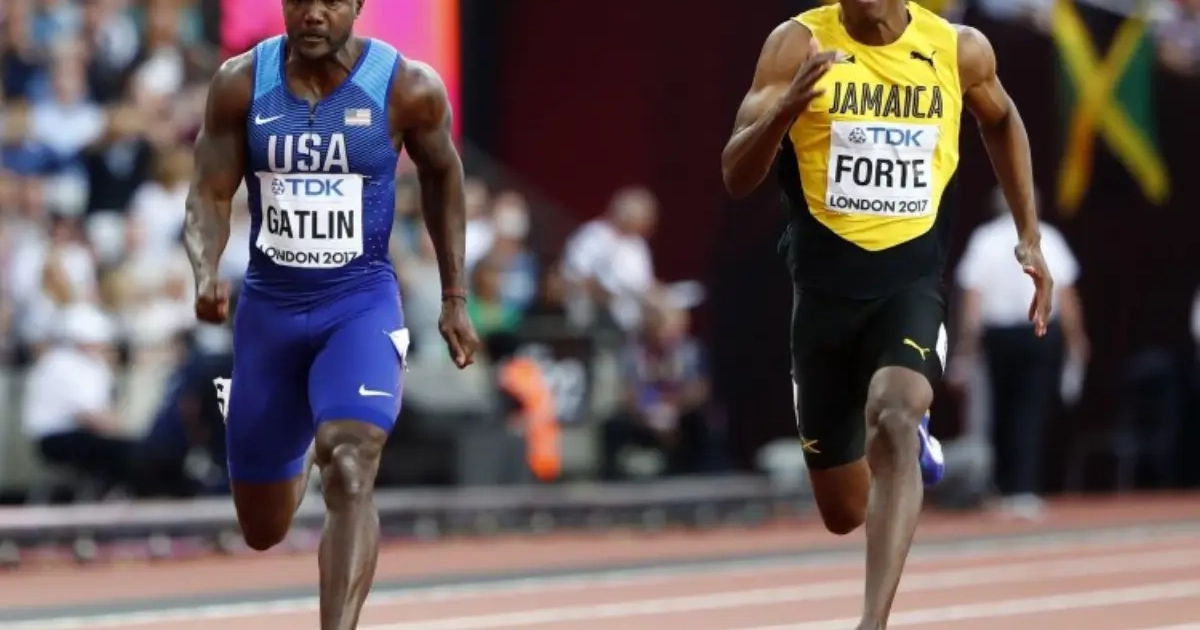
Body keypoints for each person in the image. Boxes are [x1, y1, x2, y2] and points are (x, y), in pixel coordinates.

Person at [720, 2, 1052, 629]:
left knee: (895, 415)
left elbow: (1003, 118)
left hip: (910, 286)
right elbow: (736, 174)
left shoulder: (956, 49)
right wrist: (787, 108)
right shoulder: (796, 44)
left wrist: (1029, 234)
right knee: (844, 511)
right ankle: (900, 444)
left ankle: (872, 621)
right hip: (823, 299)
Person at [183, 1, 479, 628]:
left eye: (332, 1)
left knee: (350, 463)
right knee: (263, 528)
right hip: (269, 313)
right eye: (301, 0)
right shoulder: (241, 83)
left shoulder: (406, 86)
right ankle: (296, 446)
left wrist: (455, 297)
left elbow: (443, 178)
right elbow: (208, 191)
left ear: (359, 5)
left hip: (359, 305)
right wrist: (206, 270)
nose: (314, 14)